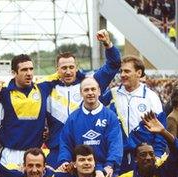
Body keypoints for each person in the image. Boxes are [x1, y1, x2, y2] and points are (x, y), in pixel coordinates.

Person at [46, 29, 121, 167]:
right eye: (63, 68)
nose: (68, 71)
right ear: (57, 69)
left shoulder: (89, 83)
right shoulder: (47, 89)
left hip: (87, 153)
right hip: (58, 152)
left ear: (76, 67)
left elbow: (114, 64)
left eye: (71, 67)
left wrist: (107, 44)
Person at [102, 55, 167, 171]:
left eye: (127, 71)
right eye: (121, 71)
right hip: (117, 160)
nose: (122, 75)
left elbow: (160, 131)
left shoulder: (151, 97)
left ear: (138, 73)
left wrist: (157, 155)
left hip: (143, 158)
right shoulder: (112, 94)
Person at [58, 77, 123, 177]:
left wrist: (110, 165)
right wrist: (64, 161)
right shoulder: (73, 118)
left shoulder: (110, 116)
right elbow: (65, 143)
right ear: (81, 93)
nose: (90, 93)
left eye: (93, 89)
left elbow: (116, 144)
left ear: (99, 91)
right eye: (86, 90)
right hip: (80, 171)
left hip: (105, 170)